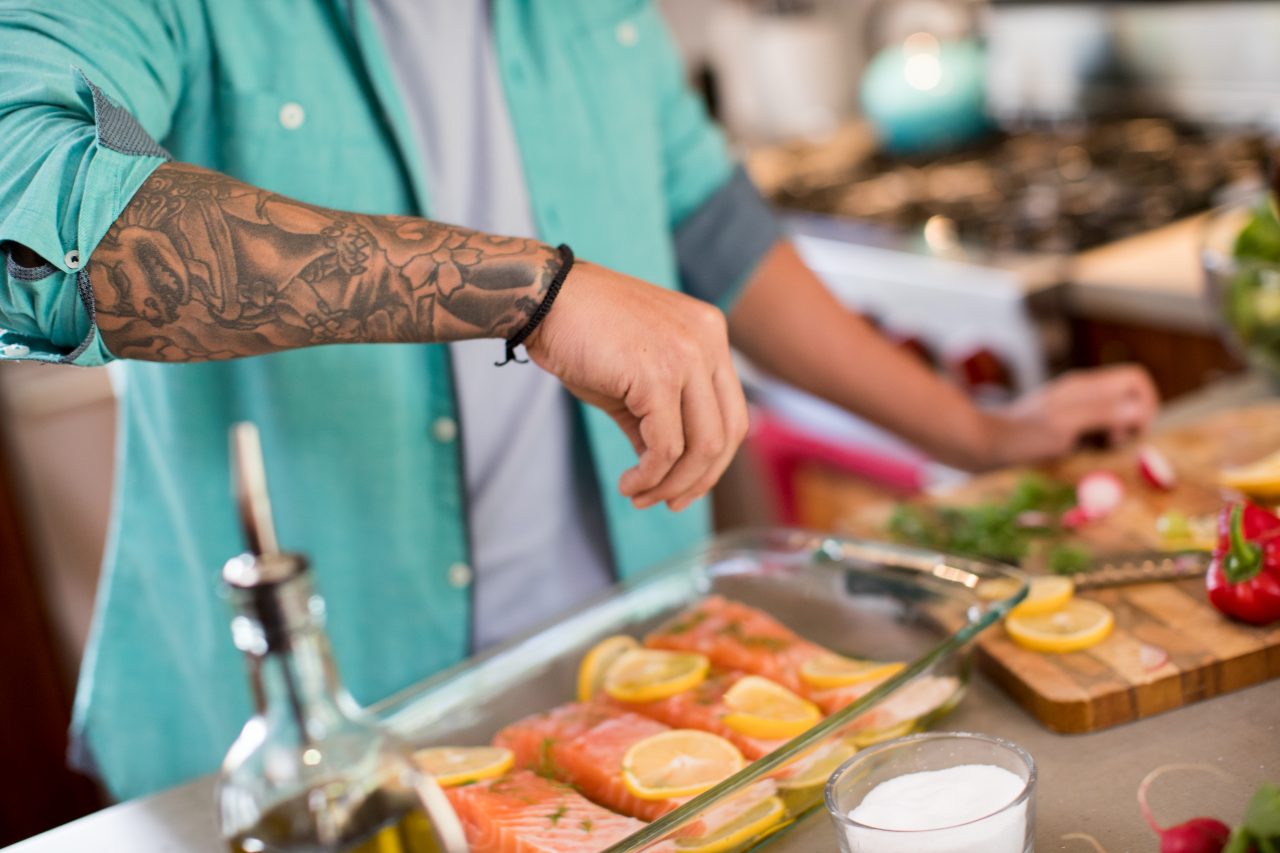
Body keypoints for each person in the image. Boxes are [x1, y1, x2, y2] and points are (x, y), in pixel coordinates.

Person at [0, 0, 1156, 801]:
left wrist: (975, 434)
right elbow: (20, 197)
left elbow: (718, 230)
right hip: (290, 753)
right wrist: (530, 291)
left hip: (617, 689)